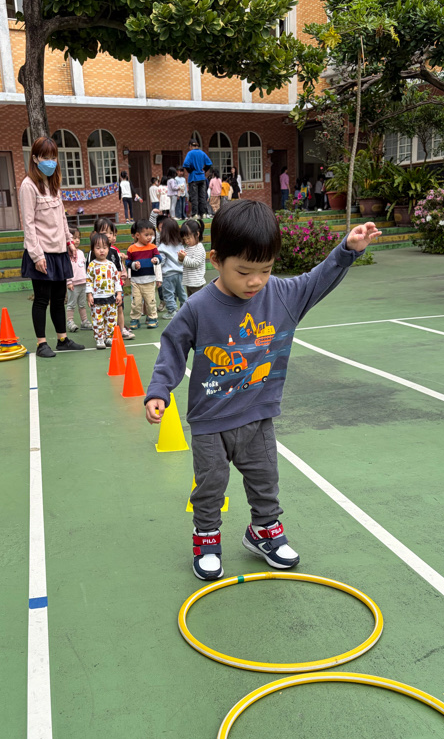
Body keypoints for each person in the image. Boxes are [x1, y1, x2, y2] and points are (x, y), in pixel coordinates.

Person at [144, 200, 381, 580]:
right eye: (244, 271)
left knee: (265, 480)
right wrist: (159, 390)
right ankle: (206, 537)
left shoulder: (281, 295)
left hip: (258, 415)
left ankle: (263, 531)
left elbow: (317, 280)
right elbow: (172, 347)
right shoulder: (199, 307)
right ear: (217, 260)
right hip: (211, 421)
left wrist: (347, 250)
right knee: (210, 485)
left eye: (266, 270)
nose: (255, 281)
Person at [19, 135, 84, 358]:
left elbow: (61, 218)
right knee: (41, 299)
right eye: (45, 157)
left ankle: (62, 339)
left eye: (53, 157)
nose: (50, 161)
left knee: (58, 299)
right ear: (35, 158)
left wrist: (69, 241)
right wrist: (37, 256)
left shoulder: (53, 184)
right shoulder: (28, 186)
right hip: (42, 252)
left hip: (59, 251)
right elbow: (28, 224)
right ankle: (41, 344)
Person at [89, 217, 134, 339]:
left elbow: (119, 269)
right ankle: (103, 333)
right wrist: (90, 292)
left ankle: (121, 330)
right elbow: (89, 273)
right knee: (102, 312)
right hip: (99, 291)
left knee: (119, 308)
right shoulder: (93, 253)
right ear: (96, 234)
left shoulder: (114, 252)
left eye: (110, 232)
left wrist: (116, 284)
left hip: (114, 288)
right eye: (104, 233)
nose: (108, 236)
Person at [86, 231, 123, 349]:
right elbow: (89, 281)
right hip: (97, 300)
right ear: (93, 250)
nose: (101, 250)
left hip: (111, 299)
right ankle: (100, 339)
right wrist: (89, 295)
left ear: (109, 248)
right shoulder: (92, 265)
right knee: (98, 320)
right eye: (98, 248)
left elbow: (116, 280)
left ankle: (109, 337)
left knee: (111, 320)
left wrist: (119, 294)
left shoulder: (111, 265)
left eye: (104, 248)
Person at [127, 218, 163, 330]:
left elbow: (159, 258)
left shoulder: (153, 247)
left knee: (150, 301)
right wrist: (134, 265)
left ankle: (152, 317)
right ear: (137, 235)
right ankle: (135, 319)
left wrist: (156, 260)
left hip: (149, 280)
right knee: (136, 302)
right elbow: (128, 262)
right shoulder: (131, 249)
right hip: (136, 281)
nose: (149, 237)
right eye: (146, 235)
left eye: (151, 235)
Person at [157, 217, 188, 318]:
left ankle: (171, 311)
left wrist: (155, 264)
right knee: (181, 292)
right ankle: (185, 308)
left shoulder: (162, 247)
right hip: (180, 273)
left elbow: (162, 261)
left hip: (168, 274)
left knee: (168, 293)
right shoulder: (180, 244)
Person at [182, 138, 213, 219]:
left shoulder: (190, 153)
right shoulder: (202, 153)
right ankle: (204, 213)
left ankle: (195, 214)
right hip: (202, 177)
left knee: (194, 197)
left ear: (190, 146)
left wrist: (190, 170)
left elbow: (185, 164)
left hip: (193, 177)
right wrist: (204, 170)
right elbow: (209, 163)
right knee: (202, 196)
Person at [65, 227, 89, 332]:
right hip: (73, 284)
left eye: (79, 238)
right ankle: (70, 321)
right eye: (74, 238)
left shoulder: (81, 253)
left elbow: (84, 267)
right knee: (71, 304)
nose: (77, 240)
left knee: (82, 303)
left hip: (83, 283)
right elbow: (66, 269)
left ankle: (84, 321)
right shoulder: (67, 254)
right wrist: (69, 282)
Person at [178, 218, 207, 295]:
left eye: (188, 238)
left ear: (197, 234)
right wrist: (180, 258)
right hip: (189, 282)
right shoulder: (187, 248)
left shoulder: (199, 248)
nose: (187, 241)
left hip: (196, 283)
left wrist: (184, 258)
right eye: (184, 239)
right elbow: (184, 263)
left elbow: (195, 263)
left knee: (197, 301)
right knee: (191, 300)